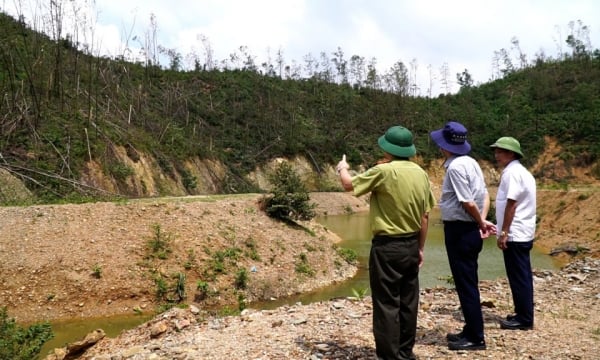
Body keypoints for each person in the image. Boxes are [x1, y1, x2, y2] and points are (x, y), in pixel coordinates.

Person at [336, 125, 436, 360]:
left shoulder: (383, 171)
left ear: (387, 149)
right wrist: (420, 248)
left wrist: (343, 168)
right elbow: (425, 216)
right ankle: (405, 352)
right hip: (411, 244)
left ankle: (389, 356)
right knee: (408, 302)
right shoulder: (420, 173)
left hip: (387, 246)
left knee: (386, 303)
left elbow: (349, 185)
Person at [429, 121, 494, 351]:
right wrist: (482, 221)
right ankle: (471, 329)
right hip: (469, 229)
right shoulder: (471, 163)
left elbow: (467, 201)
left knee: (466, 284)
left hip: (460, 230)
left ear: (445, 146)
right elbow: (484, 195)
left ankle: (476, 338)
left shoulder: (455, 168)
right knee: (469, 282)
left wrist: (480, 222)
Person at [490, 137, 536, 331]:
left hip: (515, 233)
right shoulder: (518, 171)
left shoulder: (512, 174)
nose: (496, 155)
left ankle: (524, 319)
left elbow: (511, 203)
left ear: (511, 154)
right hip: (521, 231)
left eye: (500, 152)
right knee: (520, 274)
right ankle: (522, 312)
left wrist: (504, 232)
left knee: (519, 276)